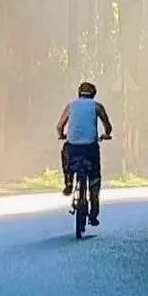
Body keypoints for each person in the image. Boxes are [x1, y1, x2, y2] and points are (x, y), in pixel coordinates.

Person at [57, 81, 112, 225]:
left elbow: (59, 126)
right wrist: (106, 134)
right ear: (93, 94)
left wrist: (62, 135)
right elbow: (108, 126)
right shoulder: (97, 106)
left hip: (73, 148)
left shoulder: (71, 106)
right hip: (90, 148)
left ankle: (68, 180)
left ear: (79, 93)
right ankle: (93, 214)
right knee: (94, 178)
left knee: (66, 156)